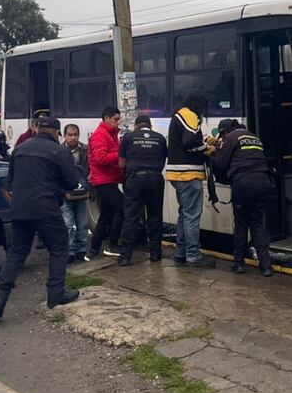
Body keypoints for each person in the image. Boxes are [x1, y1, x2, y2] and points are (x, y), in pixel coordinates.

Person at [0, 117, 87, 319]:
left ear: (37, 129)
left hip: (19, 209)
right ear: (55, 132)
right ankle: (55, 294)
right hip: (46, 209)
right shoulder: (59, 151)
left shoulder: (20, 149)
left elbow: (10, 180)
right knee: (59, 248)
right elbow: (71, 183)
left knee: (17, 252)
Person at [212, 119, 274, 276]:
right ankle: (265, 266)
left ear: (225, 131)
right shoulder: (253, 137)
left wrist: (216, 150)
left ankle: (238, 264)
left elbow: (220, 163)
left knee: (241, 224)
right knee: (258, 224)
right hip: (263, 181)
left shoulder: (231, 138)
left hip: (244, 182)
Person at [167, 95, 216, 268]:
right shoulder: (189, 115)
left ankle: (181, 253)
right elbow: (189, 141)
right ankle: (193, 255)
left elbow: (187, 140)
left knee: (184, 215)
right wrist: (207, 149)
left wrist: (203, 142)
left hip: (177, 175)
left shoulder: (179, 115)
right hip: (188, 174)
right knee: (192, 216)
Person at [117, 114, 168, 266]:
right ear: (150, 126)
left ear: (135, 126)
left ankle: (125, 257)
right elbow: (162, 160)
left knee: (131, 217)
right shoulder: (160, 138)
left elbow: (121, 164)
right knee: (155, 216)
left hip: (134, 179)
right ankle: (155, 254)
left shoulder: (128, 137)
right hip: (155, 179)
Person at [87, 106, 124, 258]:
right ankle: (112, 244)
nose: (118, 122)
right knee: (121, 208)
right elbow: (100, 158)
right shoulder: (100, 135)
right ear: (107, 119)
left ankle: (93, 251)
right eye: (115, 119)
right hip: (103, 180)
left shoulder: (111, 134)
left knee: (105, 216)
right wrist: (121, 154)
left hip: (109, 179)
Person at [61, 124, 90, 262]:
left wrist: (89, 187)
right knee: (68, 225)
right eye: (70, 135)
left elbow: (91, 170)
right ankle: (69, 251)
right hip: (66, 193)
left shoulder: (85, 150)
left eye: (75, 135)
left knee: (83, 224)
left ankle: (81, 250)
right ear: (65, 135)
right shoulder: (59, 151)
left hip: (82, 193)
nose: (73, 137)